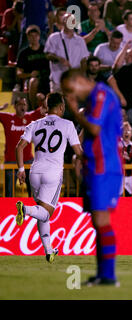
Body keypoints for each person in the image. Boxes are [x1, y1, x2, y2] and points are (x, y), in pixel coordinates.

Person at [61, 68, 123, 286]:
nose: (72, 96)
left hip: (104, 166)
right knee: (97, 222)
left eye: (71, 90)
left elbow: (95, 129)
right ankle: (103, 275)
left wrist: (73, 111)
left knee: (101, 220)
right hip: (95, 165)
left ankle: (109, 276)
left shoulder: (101, 95)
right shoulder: (92, 100)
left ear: (79, 81)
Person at [15, 92, 82, 263]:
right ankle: (25, 210)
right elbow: (79, 153)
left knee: (42, 211)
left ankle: (49, 250)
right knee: (44, 213)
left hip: (34, 172)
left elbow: (19, 147)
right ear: (61, 107)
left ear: (46, 106)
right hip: (52, 173)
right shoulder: (67, 125)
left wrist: (21, 169)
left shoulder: (35, 124)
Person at [0, 98, 46, 197]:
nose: (23, 106)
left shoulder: (30, 117)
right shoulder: (7, 117)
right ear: (15, 106)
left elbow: (45, 108)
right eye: (20, 104)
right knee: (9, 192)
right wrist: (1, 108)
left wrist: (42, 98)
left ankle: (35, 211)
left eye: (24, 104)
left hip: (28, 161)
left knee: (34, 191)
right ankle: (9, 211)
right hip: (11, 161)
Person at [44, 13, 90, 93]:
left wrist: (82, 76)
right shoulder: (54, 37)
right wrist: (59, 59)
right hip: (57, 80)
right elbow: (47, 55)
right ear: (63, 22)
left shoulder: (80, 40)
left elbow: (83, 60)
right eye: (67, 20)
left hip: (74, 80)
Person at [16, 25, 50, 108]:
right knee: (33, 81)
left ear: (39, 36)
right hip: (32, 79)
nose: (34, 38)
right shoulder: (24, 53)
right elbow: (19, 73)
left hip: (47, 78)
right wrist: (30, 74)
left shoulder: (46, 50)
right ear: (27, 37)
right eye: (31, 36)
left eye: (36, 35)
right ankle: (33, 109)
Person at [119, 121, 132, 197]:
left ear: (131, 133)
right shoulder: (118, 144)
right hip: (120, 175)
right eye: (124, 131)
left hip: (130, 174)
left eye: (128, 131)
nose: (126, 133)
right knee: (119, 195)